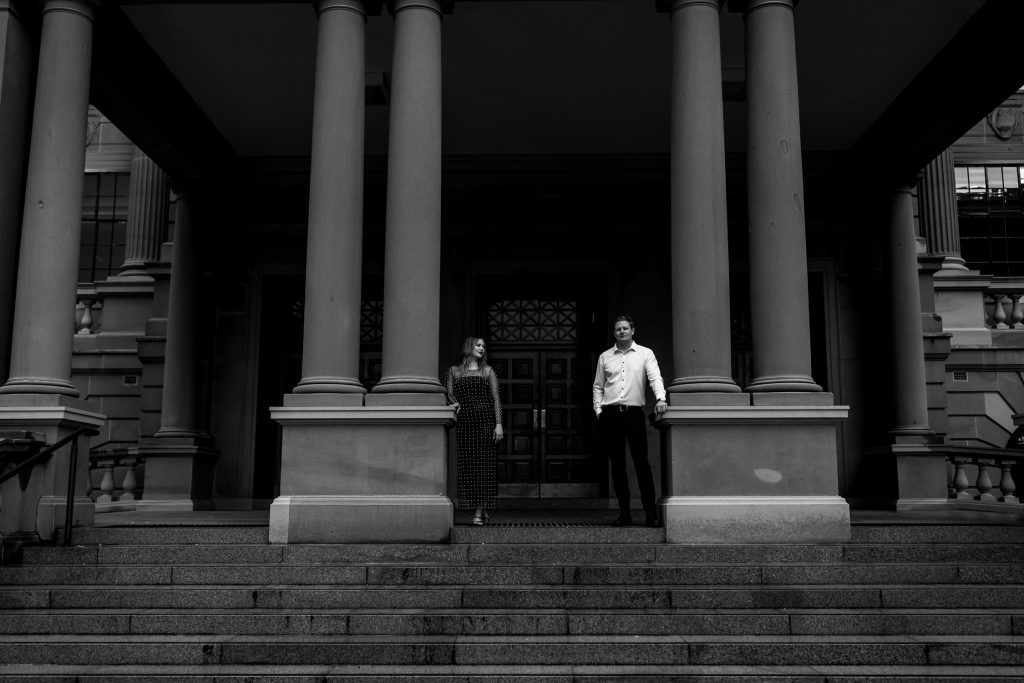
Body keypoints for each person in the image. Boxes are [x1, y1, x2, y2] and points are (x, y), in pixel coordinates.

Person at [592, 315, 668, 527]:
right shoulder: (605, 357)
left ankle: (650, 513)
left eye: (625, 328)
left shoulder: (645, 353)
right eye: (618, 329)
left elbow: (654, 377)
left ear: (632, 330)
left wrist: (661, 398)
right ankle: (624, 513)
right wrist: (599, 410)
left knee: (642, 464)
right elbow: (598, 386)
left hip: (634, 414)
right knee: (617, 466)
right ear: (614, 333)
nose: (622, 332)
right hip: (611, 414)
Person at [446, 337, 504, 525]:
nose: (482, 348)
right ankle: (481, 507)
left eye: (483, 346)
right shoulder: (454, 371)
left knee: (483, 468)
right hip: (465, 424)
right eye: (478, 345)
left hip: (485, 422)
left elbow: (495, 398)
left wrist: (498, 424)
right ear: (469, 347)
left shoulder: (487, 371)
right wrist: (454, 403)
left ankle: (478, 512)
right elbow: (448, 392)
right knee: (469, 468)